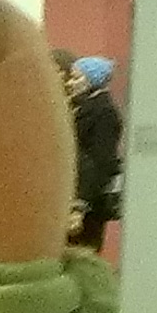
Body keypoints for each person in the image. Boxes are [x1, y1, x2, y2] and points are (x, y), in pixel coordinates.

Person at [68, 55, 123, 249]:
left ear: (92, 80)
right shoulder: (81, 107)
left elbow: (100, 162)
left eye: (76, 78)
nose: (70, 83)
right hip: (75, 194)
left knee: (82, 252)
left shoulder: (104, 112)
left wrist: (81, 204)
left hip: (89, 201)